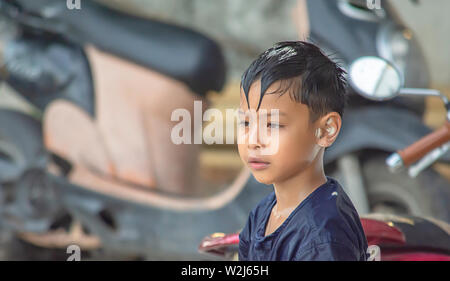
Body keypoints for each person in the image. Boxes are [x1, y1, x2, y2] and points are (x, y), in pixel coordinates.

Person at [237, 41, 368, 261]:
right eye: (246, 123)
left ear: (326, 130)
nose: (253, 141)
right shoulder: (264, 212)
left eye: (273, 125)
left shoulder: (323, 236)